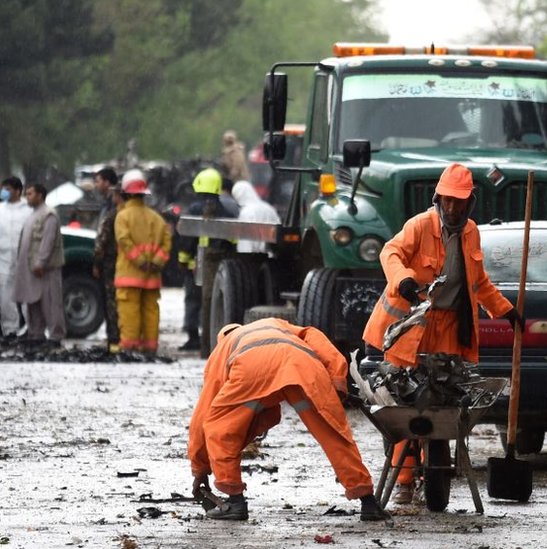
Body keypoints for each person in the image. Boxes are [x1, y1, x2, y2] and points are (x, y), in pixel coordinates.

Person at [362, 163, 521, 505]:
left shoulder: (471, 232)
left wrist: (505, 310)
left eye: (459, 202)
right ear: (438, 198)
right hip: (412, 327)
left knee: (443, 401)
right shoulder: (420, 225)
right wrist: (402, 279)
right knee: (407, 400)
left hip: (449, 327)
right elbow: (390, 252)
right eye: (447, 201)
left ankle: (433, 470)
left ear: (469, 203)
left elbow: (478, 282)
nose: (452, 208)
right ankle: (404, 481)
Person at [188, 318, 390, 522]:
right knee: (332, 432)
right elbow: (314, 335)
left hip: (252, 369)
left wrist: (200, 469)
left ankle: (235, 502)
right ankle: (368, 501)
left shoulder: (223, 350)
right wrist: (337, 379)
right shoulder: (274, 324)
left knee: (220, 427)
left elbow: (202, 418)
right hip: (303, 365)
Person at [181, 168, 238, 354]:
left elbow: (187, 239)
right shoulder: (227, 209)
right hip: (220, 264)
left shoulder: (195, 209)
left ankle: (198, 342)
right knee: (213, 303)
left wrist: (184, 260)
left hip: (199, 263)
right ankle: (213, 346)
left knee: (196, 301)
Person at [114, 169, 172, 353]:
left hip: (129, 275)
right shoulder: (157, 218)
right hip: (152, 277)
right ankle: (149, 347)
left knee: (129, 311)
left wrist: (140, 261)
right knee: (150, 311)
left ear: (126, 193)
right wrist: (155, 262)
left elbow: (124, 241)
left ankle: (130, 347)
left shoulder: (122, 216)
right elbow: (166, 243)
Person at [13, 183, 67, 346]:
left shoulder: (49, 215)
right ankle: (35, 334)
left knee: (51, 302)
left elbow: (48, 241)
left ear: (40, 195)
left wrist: (41, 262)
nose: (26, 197)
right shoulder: (33, 215)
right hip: (31, 268)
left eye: (30, 194)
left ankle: (55, 335)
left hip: (45, 268)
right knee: (33, 301)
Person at [92, 168, 122, 352]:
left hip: (111, 261)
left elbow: (103, 237)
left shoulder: (112, 209)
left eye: (98, 181)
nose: (96, 185)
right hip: (116, 261)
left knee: (112, 301)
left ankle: (114, 341)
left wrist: (97, 262)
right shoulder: (109, 205)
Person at [0, 177, 33, 339]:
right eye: (3, 189)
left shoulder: (28, 210)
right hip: (4, 259)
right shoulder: (0, 210)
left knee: (28, 295)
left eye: (7, 189)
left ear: (18, 191)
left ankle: (32, 329)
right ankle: (10, 330)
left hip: (25, 259)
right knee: (5, 297)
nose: (4, 192)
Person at [231, 180, 278, 254]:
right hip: (271, 254)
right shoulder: (269, 208)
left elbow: (245, 242)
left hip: (253, 257)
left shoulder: (246, 212)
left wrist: (244, 257)